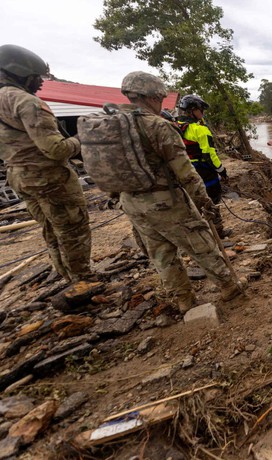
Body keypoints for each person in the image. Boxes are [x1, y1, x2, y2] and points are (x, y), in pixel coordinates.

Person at [116, 71, 243, 312]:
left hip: (130, 202)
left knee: (161, 255)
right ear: (153, 97)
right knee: (200, 242)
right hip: (166, 199)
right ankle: (228, 286)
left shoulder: (108, 122)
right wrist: (203, 201)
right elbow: (185, 172)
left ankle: (184, 299)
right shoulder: (158, 125)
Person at [0, 44, 93, 282]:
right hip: (49, 177)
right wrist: (80, 138)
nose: (40, 83)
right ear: (21, 74)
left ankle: (67, 276)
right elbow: (56, 149)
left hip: (19, 176)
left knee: (51, 230)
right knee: (72, 229)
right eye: (36, 78)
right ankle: (82, 281)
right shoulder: (26, 102)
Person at [175, 94, 231, 238]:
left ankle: (199, 234)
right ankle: (218, 232)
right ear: (193, 110)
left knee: (192, 203)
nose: (203, 113)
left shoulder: (175, 127)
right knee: (212, 200)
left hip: (184, 170)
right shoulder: (200, 130)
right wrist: (222, 171)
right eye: (201, 110)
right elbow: (209, 154)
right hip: (204, 171)